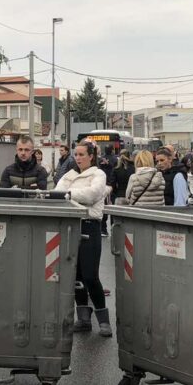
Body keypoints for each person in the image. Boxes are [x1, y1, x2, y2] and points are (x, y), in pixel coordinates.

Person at [55, 140, 112, 337]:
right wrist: (70, 196)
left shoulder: (98, 174)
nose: (78, 158)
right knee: (75, 276)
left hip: (90, 225)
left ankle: (103, 320)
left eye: (81, 154)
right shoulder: (68, 175)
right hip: (70, 226)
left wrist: (69, 194)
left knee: (90, 275)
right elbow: (56, 194)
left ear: (91, 156)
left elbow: (93, 194)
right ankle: (83, 318)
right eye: (76, 155)